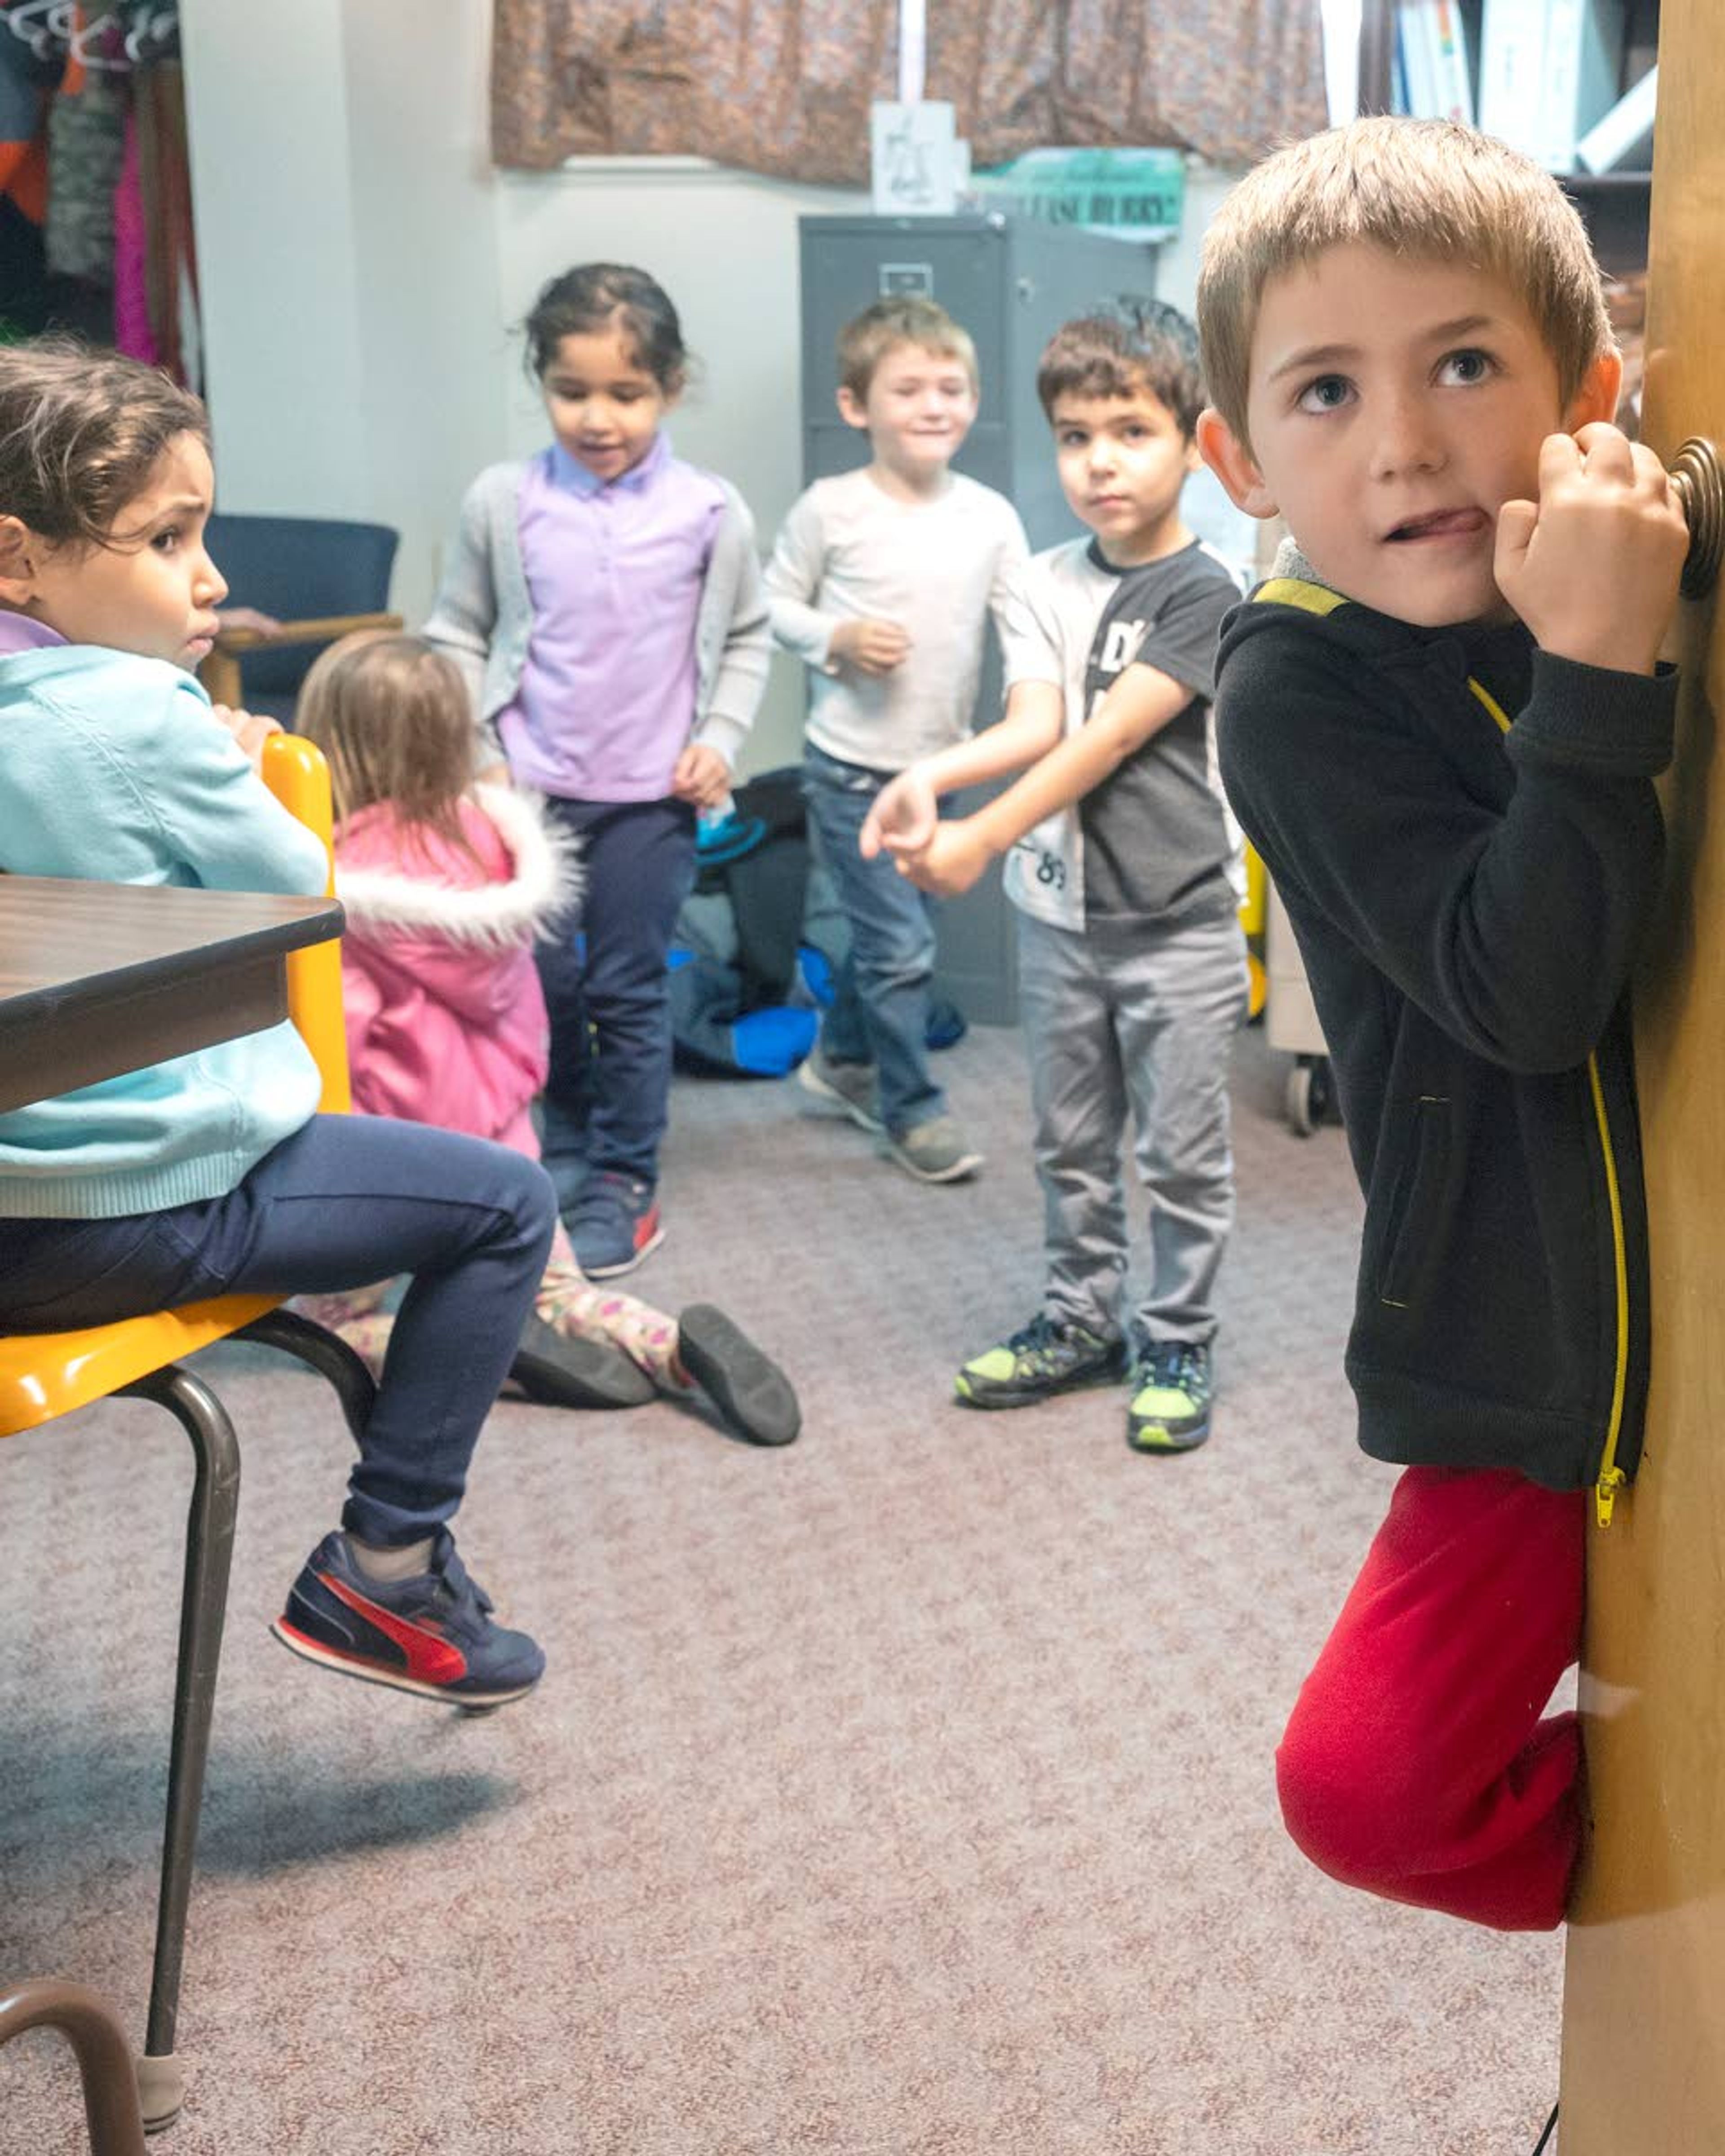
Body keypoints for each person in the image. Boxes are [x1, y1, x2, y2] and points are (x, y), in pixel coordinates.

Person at [1193, 116, 1688, 1928]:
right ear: (1237, 458)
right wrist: (1595, 669)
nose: (1404, 442)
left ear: (1589, 392)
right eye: (1324, 393)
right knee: (1369, 1792)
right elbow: (1521, 987)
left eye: (1464, 364)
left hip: (1687, 1304)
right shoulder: (1297, 684)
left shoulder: (1633, 543)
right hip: (1522, 1357)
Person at [0, 338, 562, 1708]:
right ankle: (384, 1572)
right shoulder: (134, 713)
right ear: (18, 559)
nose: (212, 579)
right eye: (167, 539)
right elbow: (293, 889)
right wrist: (243, 763)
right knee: (504, 1208)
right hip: (116, 1212)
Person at [862, 301, 1247, 1453]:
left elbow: (1111, 737)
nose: (1099, 462)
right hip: (1061, 925)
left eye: (1130, 430)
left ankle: (1176, 1335)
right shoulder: (1035, 580)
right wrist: (930, 778)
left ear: (1195, 441)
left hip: (1177, 929)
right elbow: (1037, 724)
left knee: (1181, 1154)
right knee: (1069, 1144)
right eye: (1076, 436)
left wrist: (976, 841)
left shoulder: (1209, 590)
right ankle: (1082, 1322)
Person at [292, 629, 801, 1449]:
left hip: (397, 1161)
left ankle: (491, 1351)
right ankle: (670, 1347)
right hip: (504, 1146)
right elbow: (528, 1006)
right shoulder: (489, 845)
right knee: (558, 1292)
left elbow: (338, 1042)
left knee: (329, 1328)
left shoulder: (344, 882)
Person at [425, 263, 770, 1280]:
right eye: (572, 390)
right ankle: (563, 1143)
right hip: (526, 795)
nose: (599, 416)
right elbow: (456, 632)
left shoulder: (711, 512)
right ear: (541, 383)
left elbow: (747, 636)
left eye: (627, 393)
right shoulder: (504, 500)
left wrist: (722, 734)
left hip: (651, 801)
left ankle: (625, 1176)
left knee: (625, 990)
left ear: (671, 386)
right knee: (541, 980)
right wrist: (479, 755)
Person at [764, 295, 1028, 1184]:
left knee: (899, 937)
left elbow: (1023, 619)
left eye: (951, 387)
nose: (933, 404)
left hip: (940, 767)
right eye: (908, 388)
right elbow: (773, 606)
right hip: (848, 771)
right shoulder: (829, 509)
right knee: (901, 949)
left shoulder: (990, 516)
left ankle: (839, 1058)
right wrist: (834, 639)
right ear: (856, 407)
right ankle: (910, 1110)